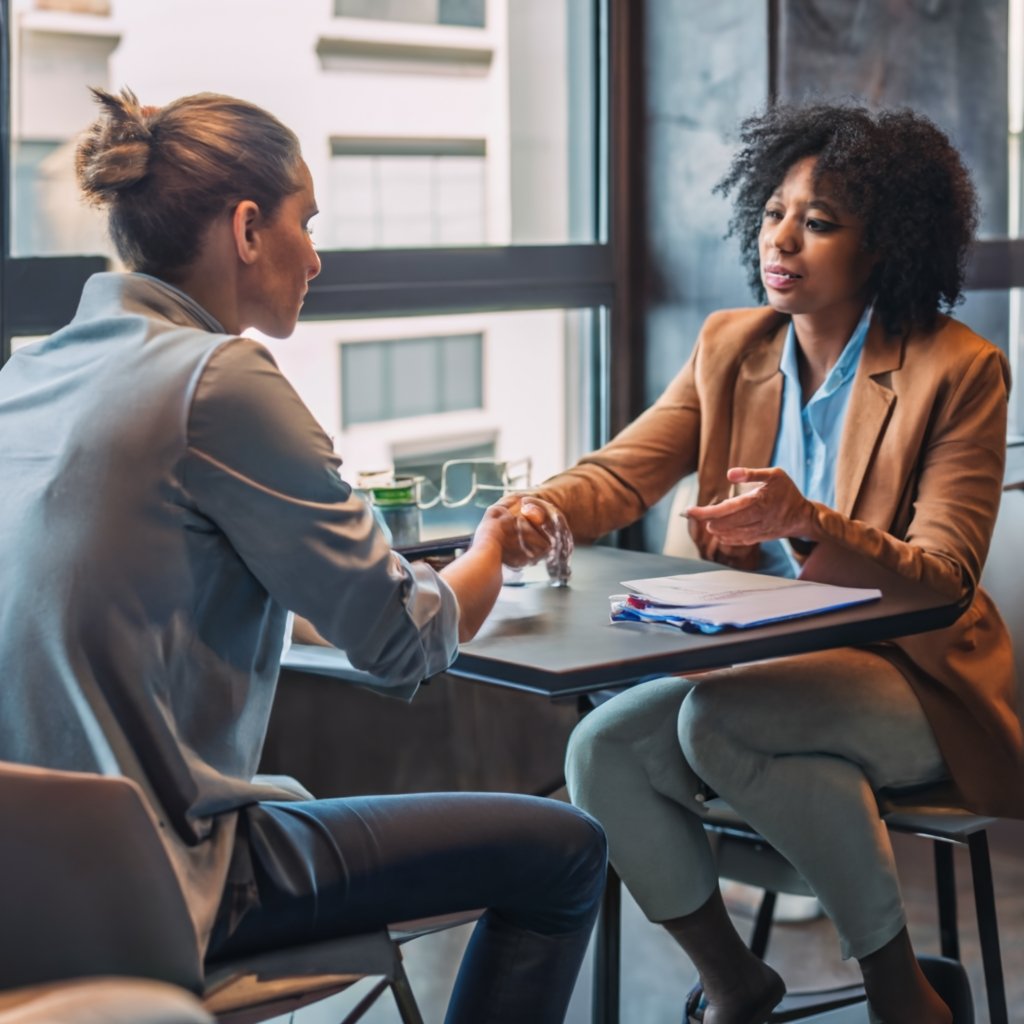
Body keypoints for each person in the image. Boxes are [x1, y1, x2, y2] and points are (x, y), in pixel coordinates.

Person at [0, 87, 606, 1024]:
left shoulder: (34, 372)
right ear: (247, 228)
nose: (316, 257)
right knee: (564, 849)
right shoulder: (217, 377)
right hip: (165, 880)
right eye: (305, 222)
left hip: (28, 886)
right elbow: (404, 642)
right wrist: (490, 545)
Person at [507, 103, 1020, 1023]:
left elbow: (944, 576)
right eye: (775, 212)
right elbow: (622, 474)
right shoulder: (730, 346)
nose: (782, 239)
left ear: (886, 246)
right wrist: (537, 509)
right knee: (603, 749)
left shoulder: (960, 369)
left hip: (914, 683)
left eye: (819, 223)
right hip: (751, 673)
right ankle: (739, 983)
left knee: (723, 723)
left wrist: (806, 520)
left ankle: (902, 997)